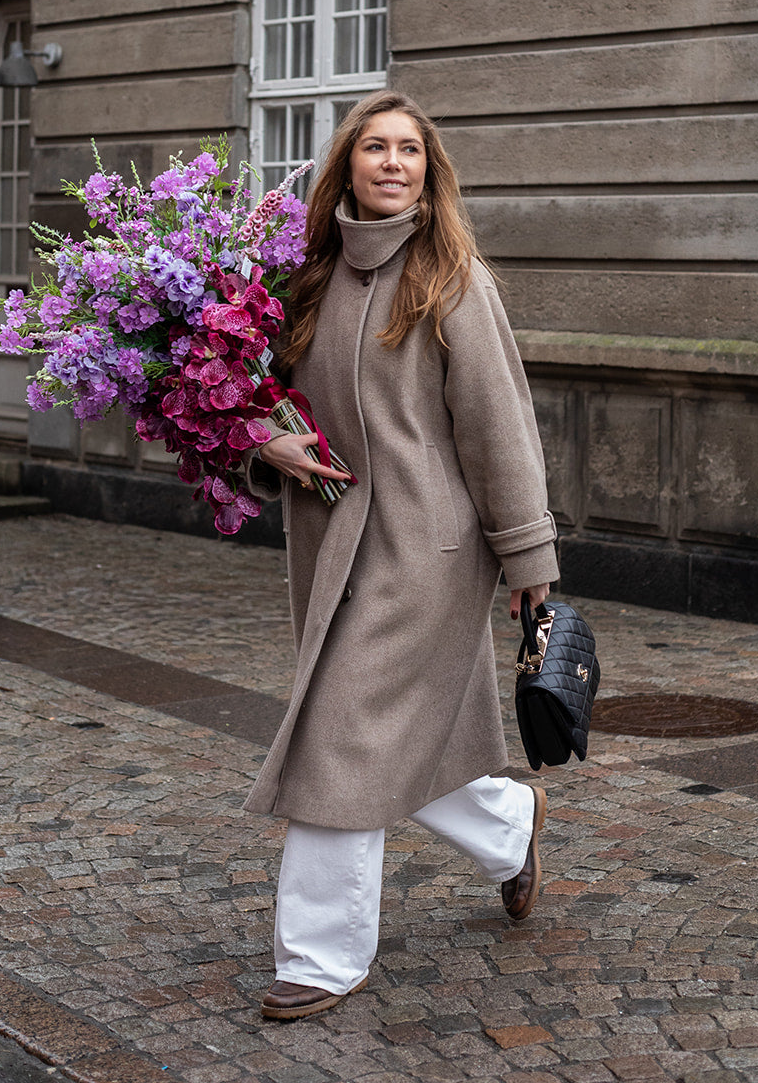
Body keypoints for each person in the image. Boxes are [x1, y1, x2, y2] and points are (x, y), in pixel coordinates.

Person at [245, 90, 559, 1021]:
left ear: (430, 170)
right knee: (386, 736)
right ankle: (510, 830)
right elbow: (253, 391)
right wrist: (268, 437)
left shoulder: (452, 278)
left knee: (342, 732)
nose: (392, 164)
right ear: (345, 166)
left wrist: (528, 558)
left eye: (409, 152)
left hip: (429, 545)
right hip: (334, 537)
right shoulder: (304, 278)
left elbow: (500, 429)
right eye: (374, 149)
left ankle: (319, 957)